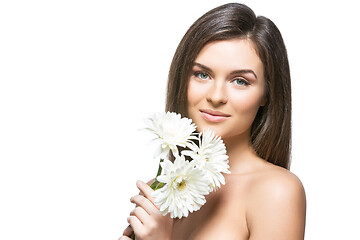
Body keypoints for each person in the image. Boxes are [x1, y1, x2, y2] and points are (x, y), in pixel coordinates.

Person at [120, 2, 306, 239]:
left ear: (266, 94)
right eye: (202, 74)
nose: (216, 96)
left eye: (240, 80)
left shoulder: (277, 191)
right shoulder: (160, 187)